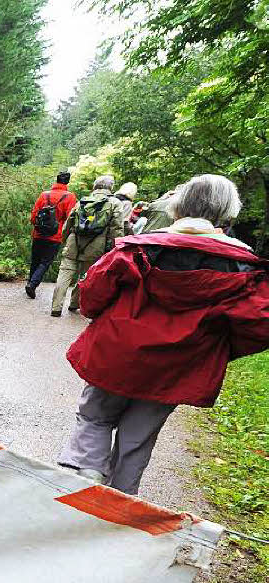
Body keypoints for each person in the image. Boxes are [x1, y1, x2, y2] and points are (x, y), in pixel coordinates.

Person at [58, 173, 269, 494]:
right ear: (228, 212)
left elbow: (92, 295)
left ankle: (85, 481)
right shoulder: (245, 268)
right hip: (178, 367)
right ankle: (120, 503)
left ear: (179, 205)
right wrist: (213, 346)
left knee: (95, 418)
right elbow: (258, 323)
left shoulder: (138, 248)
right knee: (137, 439)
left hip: (118, 353)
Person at [50, 175, 128, 316]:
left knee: (65, 274)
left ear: (95, 186)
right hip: (96, 246)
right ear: (111, 187)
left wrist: (65, 239)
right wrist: (114, 248)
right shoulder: (115, 203)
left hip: (74, 243)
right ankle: (74, 303)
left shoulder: (83, 201)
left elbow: (69, 223)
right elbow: (117, 229)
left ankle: (56, 308)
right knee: (86, 276)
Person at [26, 171, 77, 299]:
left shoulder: (44, 195)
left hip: (38, 233)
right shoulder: (70, 197)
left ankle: (29, 282)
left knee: (35, 260)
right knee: (45, 262)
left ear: (56, 180)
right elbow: (70, 218)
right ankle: (32, 285)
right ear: (67, 182)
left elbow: (34, 216)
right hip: (55, 236)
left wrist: (38, 226)